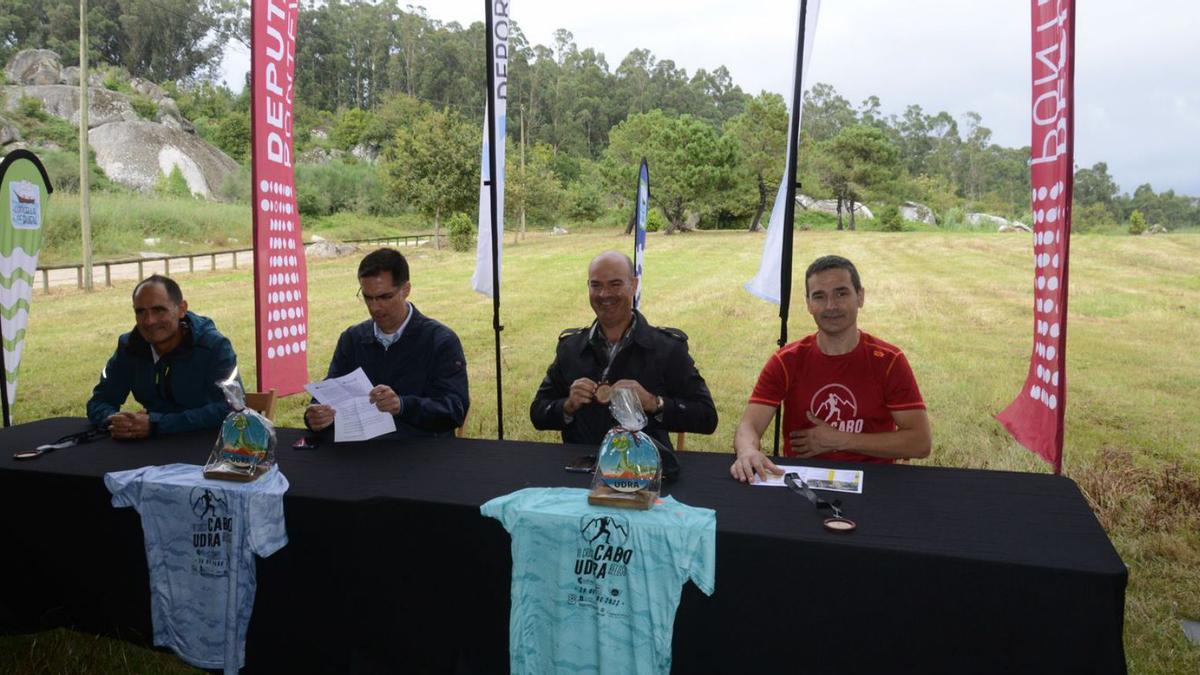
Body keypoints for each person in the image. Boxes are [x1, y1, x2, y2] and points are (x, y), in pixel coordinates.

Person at [730, 255, 931, 483]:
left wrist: (840, 440)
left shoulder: (889, 361)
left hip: (875, 482)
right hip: (802, 481)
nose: (831, 306)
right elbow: (749, 425)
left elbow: (920, 442)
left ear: (860, 296)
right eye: (819, 296)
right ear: (808, 304)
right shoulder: (786, 361)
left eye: (841, 293)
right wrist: (747, 451)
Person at [530, 251, 717, 450]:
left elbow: (706, 417)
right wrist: (567, 405)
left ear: (634, 285)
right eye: (596, 285)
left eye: (615, 284)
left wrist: (654, 403)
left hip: (645, 471)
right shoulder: (571, 347)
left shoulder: (666, 349)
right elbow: (538, 413)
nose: (604, 294)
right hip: (582, 468)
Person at [305, 248, 468, 438]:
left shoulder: (440, 341)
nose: (375, 307)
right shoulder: (352, 339)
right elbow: (329, 391)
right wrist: (315, 415)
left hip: (421, 455)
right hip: (359, 453)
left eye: (385, 297)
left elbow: (455, 409)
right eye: (368, 297)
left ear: (405, 290)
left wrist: (403, 405)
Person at [87, 274, 238, 439]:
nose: (149, 321)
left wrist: (157, 424)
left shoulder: (213, 346)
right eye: (141, 312)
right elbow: (99, 401)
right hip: (150, 448)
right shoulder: (130, 347)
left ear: (181, 309)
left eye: (159, 310)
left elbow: (232, 407)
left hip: (205, 447)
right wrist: (116, 421)